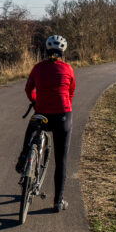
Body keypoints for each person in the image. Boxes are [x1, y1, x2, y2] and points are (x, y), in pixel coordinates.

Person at [16, 34, 75, 212]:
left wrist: (35, 101)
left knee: (32, 127)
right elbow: (71, 93)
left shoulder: (37, 68)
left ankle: (23, 156)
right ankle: (58, 201)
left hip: (42, 114)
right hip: (62, 116)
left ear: (46, 51)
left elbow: (28, 88)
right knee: (61, 160)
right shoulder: (68, 69)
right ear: (62, 52)